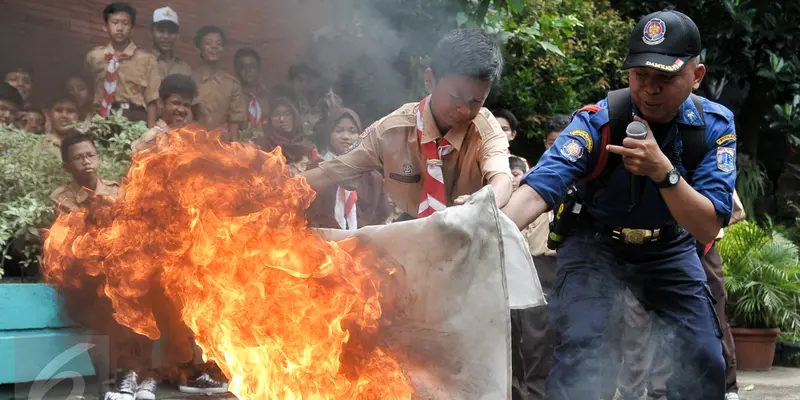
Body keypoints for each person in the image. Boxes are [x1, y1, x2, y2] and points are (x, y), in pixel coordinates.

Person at [503, 10, 735, 400]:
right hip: (594, 244)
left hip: (668, 249)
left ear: (696, 77)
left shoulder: (713, 126)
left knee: (705, 357)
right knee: (581, 349)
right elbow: (537, 191)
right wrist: (488, 232)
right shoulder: (598, 121)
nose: (650, 89)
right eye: (640, 75)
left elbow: (708, 227)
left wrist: (664, 172)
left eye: (665, 78)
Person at [301, 28, 512, 218]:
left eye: (476, 101)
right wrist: (277, 187)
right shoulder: (391, 130)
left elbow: (501, 179)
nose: (465, 110)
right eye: (456, 96)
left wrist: (485, 202)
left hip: (472, 228)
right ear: (429, 79)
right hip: (412, 227)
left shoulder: (486, 131)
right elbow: (331, 172)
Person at [50, 132, 158, 400]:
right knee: (109, 297)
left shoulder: (116, 190)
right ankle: (122, 378)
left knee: (143, 288)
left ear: (98, 158)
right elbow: (75, 236)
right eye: (78, 158)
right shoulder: (62, 197)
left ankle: (141, 376)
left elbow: (130, 229)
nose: (86, 162)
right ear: (67, 166)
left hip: (120, 268)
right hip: (84, 278)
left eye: (90, 155)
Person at [306, 108, 391, 230]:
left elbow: (381, 217)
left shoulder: (372, 177)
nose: (346, 137)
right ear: (329, 135)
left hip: (364, 244)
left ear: (360, 137)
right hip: (323, 244)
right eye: (339, 130)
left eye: (352, 131)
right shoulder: (316, 170)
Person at [85, 2, 160, 126]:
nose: (120, 28)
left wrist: (150, 130)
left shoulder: (146, 59)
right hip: (100, 118)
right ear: (105, 27)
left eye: (125, 23)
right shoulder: (94, 57)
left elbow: (151, 100)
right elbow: (88, 93)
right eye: (115, 22)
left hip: (133, 118)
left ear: (132, 29)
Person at [192, 25, 247, 141]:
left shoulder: (232, 84)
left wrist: (233, 148)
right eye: (208, 43)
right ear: (199, 48)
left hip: (222, 145)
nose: (214, 47)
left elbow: (234, 122)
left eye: (218, 43)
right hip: (194, 143)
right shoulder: (190, 79)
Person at [132, 73, 197, 153]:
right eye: (176, 103)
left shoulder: (188, 136)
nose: (181, 110)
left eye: (186, 105)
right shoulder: (152, 138)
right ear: (161, 103)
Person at [255, 97, 318, 176]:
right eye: (277, 114)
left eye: (287, 114)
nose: (282, 119)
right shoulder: (261, 147)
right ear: (270, 119)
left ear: (294, 118)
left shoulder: (308, 150)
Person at [151, 7, 192, 81]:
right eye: (161, 31)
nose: (166, 36)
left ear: (177, 35)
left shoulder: (184, 69)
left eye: (171, 31)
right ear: (151, 32)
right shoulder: (140, 62)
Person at [234, 47, 269, 129]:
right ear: (236, 70)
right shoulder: (231, 98)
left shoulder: (269, 96)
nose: (248, 71)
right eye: (243, 67)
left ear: (259, 69)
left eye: (252, 67)